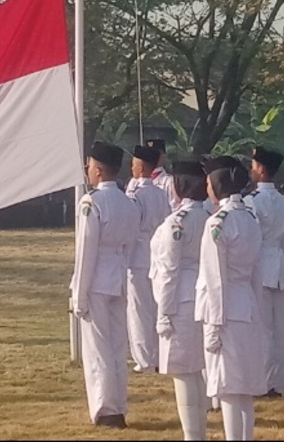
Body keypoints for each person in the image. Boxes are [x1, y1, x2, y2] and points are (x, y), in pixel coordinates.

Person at [70, 141, 141, 429]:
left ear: (98, 170)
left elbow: (86, 251)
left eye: (89, 166)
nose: (87, 170)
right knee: (116, 346)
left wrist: (79, 294)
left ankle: (105, 408)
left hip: (97, 279)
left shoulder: (92, 202)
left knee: (98, 348)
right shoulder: (128, 202)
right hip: (119, 276)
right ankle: (118, 405)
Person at [197, 158, 266, 441]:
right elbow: (256, 272)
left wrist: (213, 325)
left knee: (227, 386)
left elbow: (214, 280)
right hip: (246, 304)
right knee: (243, 387)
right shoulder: (249, 218)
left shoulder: (218, 222)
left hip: (225, 308)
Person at [149, 160, 211, 440]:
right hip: (200, 294)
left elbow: (169, 270)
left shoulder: (178, 222)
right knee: (196, 370)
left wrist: (163, 313)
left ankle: (192, 434)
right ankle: (198, 431)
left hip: (181, 299)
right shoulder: (209, 216)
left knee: (183, 371)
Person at [244, 146, 284, 398]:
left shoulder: (253, 201)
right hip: (279, 264)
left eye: (253, 166)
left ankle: (262, 382)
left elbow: (251, 239)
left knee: (262, 328)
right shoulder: (283, 201)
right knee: (278, 329)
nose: (251, 170)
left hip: (260, 264)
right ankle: (276, 382)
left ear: (261, 170)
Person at [127, 144, 170, 374]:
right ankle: (158, 353)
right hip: (157, 253)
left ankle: (144, 358)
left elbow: (131, 225)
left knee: (139, 310)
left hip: (138, 252)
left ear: (141, 167)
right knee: (155, 306)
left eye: (133, 164)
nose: (131, 168)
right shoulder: (161, 193)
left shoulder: (136, 195)